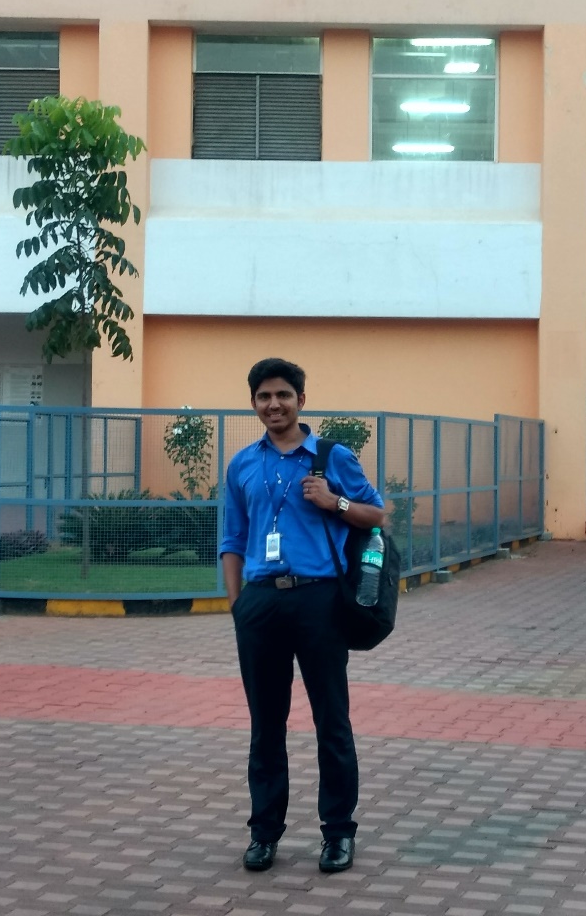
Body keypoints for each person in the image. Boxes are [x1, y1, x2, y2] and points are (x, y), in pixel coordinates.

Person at [219, 357, 385, 874]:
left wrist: (335, 503)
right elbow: (232, 539)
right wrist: (238, 603)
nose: (274, 405)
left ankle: (338, 833)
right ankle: (264, 833)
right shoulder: (243, 464)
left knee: (330, 720)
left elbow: (377, 513)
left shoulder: (332, 457)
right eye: (264, 397)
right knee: (265, 725)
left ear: (301, 401)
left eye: (283, 395)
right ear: (254, 403)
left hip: (320, 601)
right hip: (261, 603)